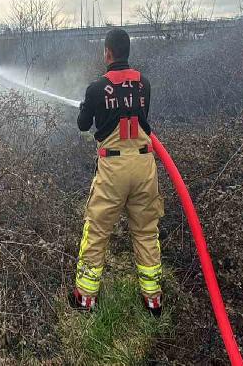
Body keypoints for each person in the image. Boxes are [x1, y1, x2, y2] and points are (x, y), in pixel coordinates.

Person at [72, 28, 164, 316]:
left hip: (113, 169)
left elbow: (83, 124)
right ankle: (152, 300)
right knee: (147, 231)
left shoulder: (96, 89)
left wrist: (85, 106)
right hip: (144, 166)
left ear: (108, 53)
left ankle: (85, 298)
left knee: (97, 229)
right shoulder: (144, 85)